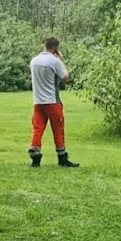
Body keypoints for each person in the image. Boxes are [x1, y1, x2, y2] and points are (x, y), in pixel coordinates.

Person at [28, 36, 79, 168]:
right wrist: (60, 60)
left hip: (38, 101)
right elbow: (66, 78)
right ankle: (62, 157)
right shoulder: (55, 61)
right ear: (56, 48)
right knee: (58, 128)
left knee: (38, 128)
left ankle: (35, 154)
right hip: (52, 101)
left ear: (44, 45)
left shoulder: (34, 61)